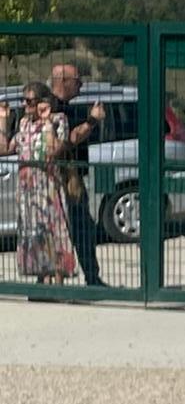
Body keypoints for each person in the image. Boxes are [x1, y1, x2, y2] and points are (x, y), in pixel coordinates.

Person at [2, 84, 78, 284]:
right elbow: (5, 148)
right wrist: (3, 121)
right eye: (24, 100)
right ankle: (42, 278)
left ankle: (58, 281)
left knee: (54, 231)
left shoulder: (58, 120)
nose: (25, 105)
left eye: (29, 101)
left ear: (42, 102)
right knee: (33, 233)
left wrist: (47, 122)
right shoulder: (24, 123)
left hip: (48, 185)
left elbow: (54, 150)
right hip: (27, 189)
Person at [46, 62, 108, 286]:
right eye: (77, 81)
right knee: (74, 229)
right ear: (63, 81)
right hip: (63, 178)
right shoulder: (52, 107)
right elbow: (69, 139)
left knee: (81, 228)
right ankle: (73, 279)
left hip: (73, 176)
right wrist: (92, 121)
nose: (81, 85)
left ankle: (90, 276)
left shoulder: (66, 106)